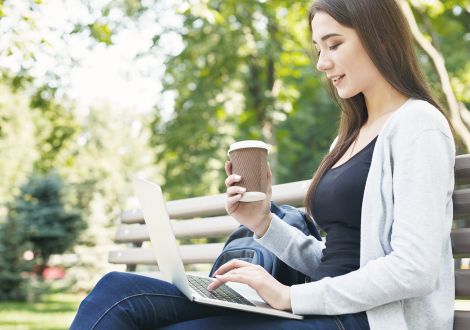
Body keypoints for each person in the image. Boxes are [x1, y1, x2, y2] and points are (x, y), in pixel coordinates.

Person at [71, 0, 455, 329]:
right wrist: (263, 223)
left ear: (380, 37)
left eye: (334, 45)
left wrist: (290, 296)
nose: (322, 63)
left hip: (365, 320)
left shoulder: (418, 125)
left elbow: (413, 269)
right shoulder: (349, 137)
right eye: (318, 49)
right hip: (319, 308)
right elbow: (334, 258)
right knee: (118, 291)